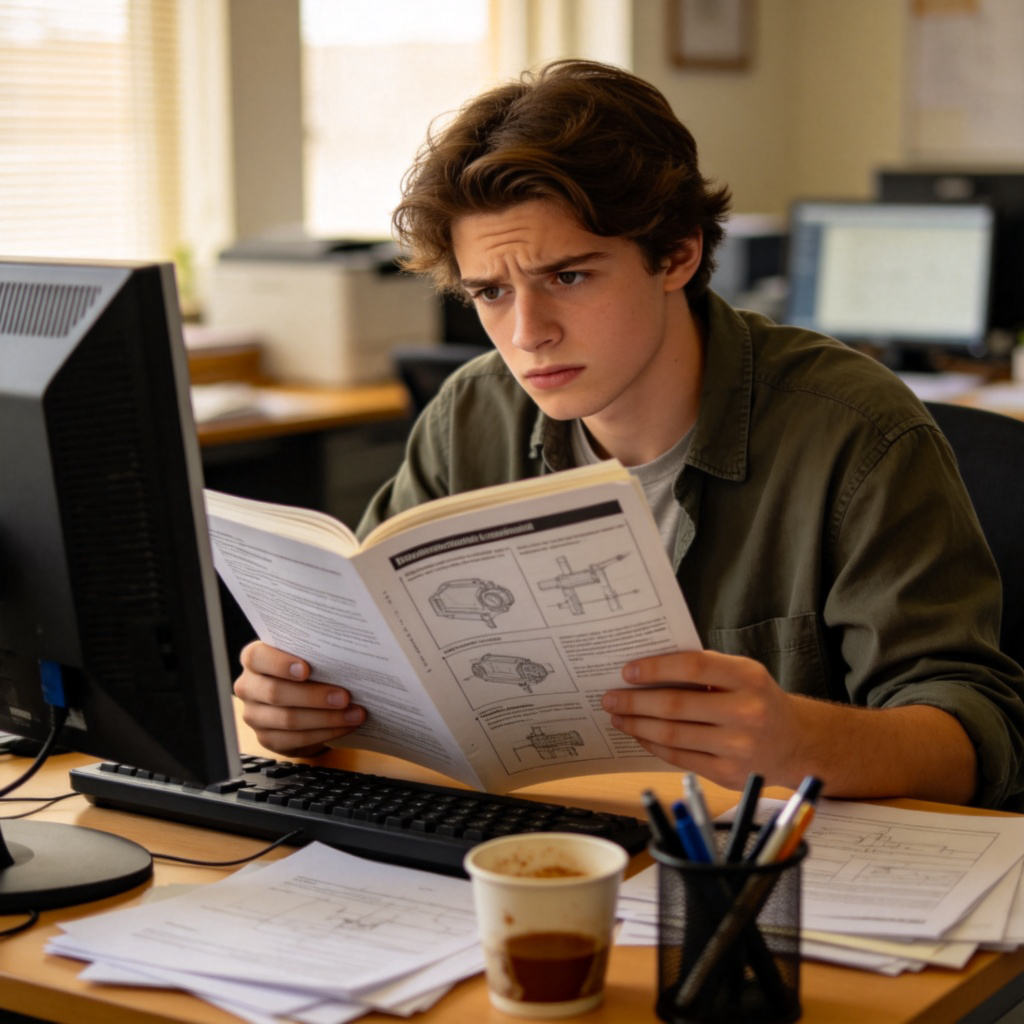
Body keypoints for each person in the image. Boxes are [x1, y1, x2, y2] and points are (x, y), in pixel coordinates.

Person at [234, 59, 1024, 809]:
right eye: (490, 292)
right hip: (527, 849)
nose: (526, 333)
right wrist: (306, 705)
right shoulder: (470, 417)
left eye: (567, 278)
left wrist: (798, 739)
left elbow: (974, 739)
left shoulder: (859, 434)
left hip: (757, 871)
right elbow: (377, 659)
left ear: (676, 253)